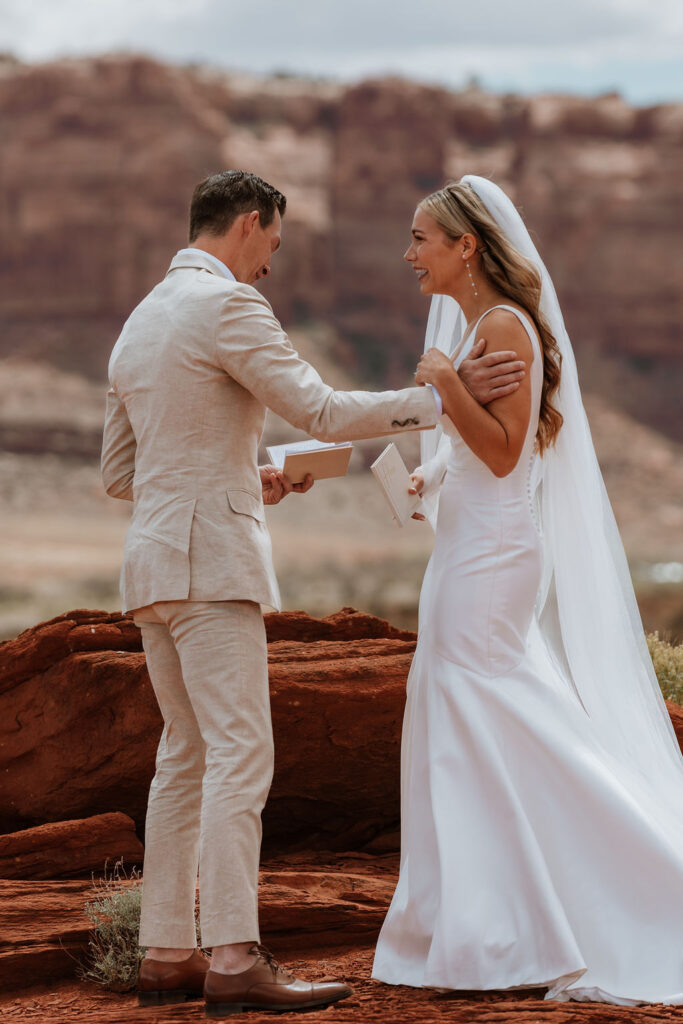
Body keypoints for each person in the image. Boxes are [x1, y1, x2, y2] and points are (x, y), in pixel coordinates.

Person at [100, 169, 519, 1016]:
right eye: (274, 249)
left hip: (151, 565)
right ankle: (232, 957)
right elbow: (322, 412)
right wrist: (443, 396)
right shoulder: (226, 307)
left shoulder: (140, 318)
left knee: (183, 756)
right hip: (209, 566)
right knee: (239, 755)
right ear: (250, 224)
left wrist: (251, 479)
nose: (269, 270)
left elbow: (122, 475)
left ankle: (164, 954)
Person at [372, 175, 683, 1005]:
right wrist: (428, 476)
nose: (409, 256)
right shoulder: (483, 325)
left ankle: (633, 883)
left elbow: (508, 454)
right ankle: (487, 921)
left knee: (486, 708)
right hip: (474, 547)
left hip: (493, 557)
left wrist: (442, 384)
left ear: (465, 245)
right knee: (467, 714)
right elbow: (485, 453)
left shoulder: (501, 324)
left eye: (420, 241)